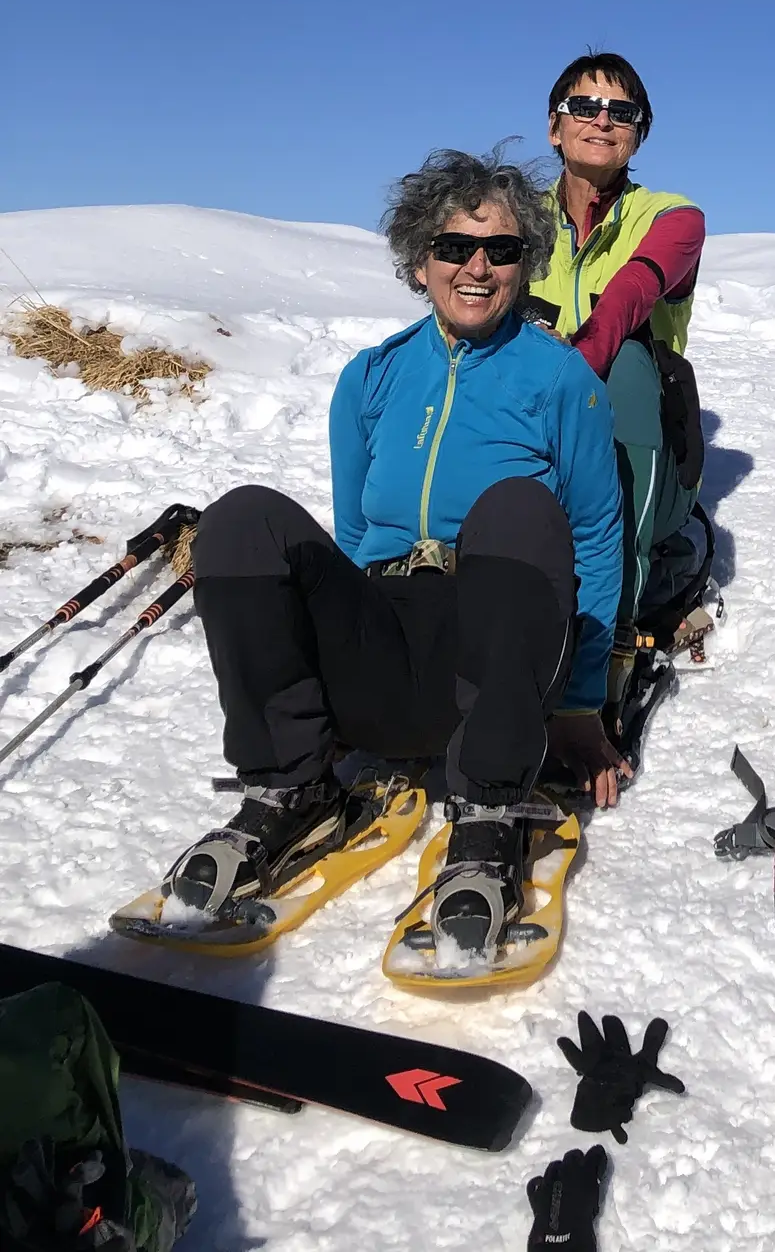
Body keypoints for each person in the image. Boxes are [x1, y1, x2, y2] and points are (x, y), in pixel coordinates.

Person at [160, 149, 625, 965]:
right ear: (420, 260)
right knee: (241, 520)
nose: (477, 268)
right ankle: (288, 780)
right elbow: (347, 542)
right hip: (385, 660)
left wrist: (582, 703)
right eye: (454, 247)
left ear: (526, 263)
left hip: (495, 671)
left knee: (517, 507)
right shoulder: (370, 378)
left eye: (502, 251)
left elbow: (593, 534)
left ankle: (485, 816)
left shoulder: (560, 380)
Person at [529, 54, 707, 704]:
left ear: (638, 134)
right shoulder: (517, 221)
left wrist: (568, 373)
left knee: (629, 359)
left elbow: (632, 293)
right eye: (585, 107)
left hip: (645, 456)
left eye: (622, 112)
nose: (603, 120)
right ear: (555, 127)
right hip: (531, 439)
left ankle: (613, 636)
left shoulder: (674, 218)